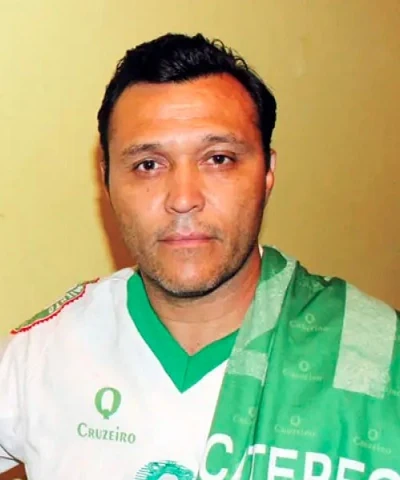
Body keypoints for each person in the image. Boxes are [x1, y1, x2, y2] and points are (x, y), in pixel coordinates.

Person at [0, 33, 399, 480]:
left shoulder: (379, 359)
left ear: (267, 173)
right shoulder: (41, 355)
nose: (183, 198)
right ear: (107, 179)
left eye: (219, 159)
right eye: (148, 165)